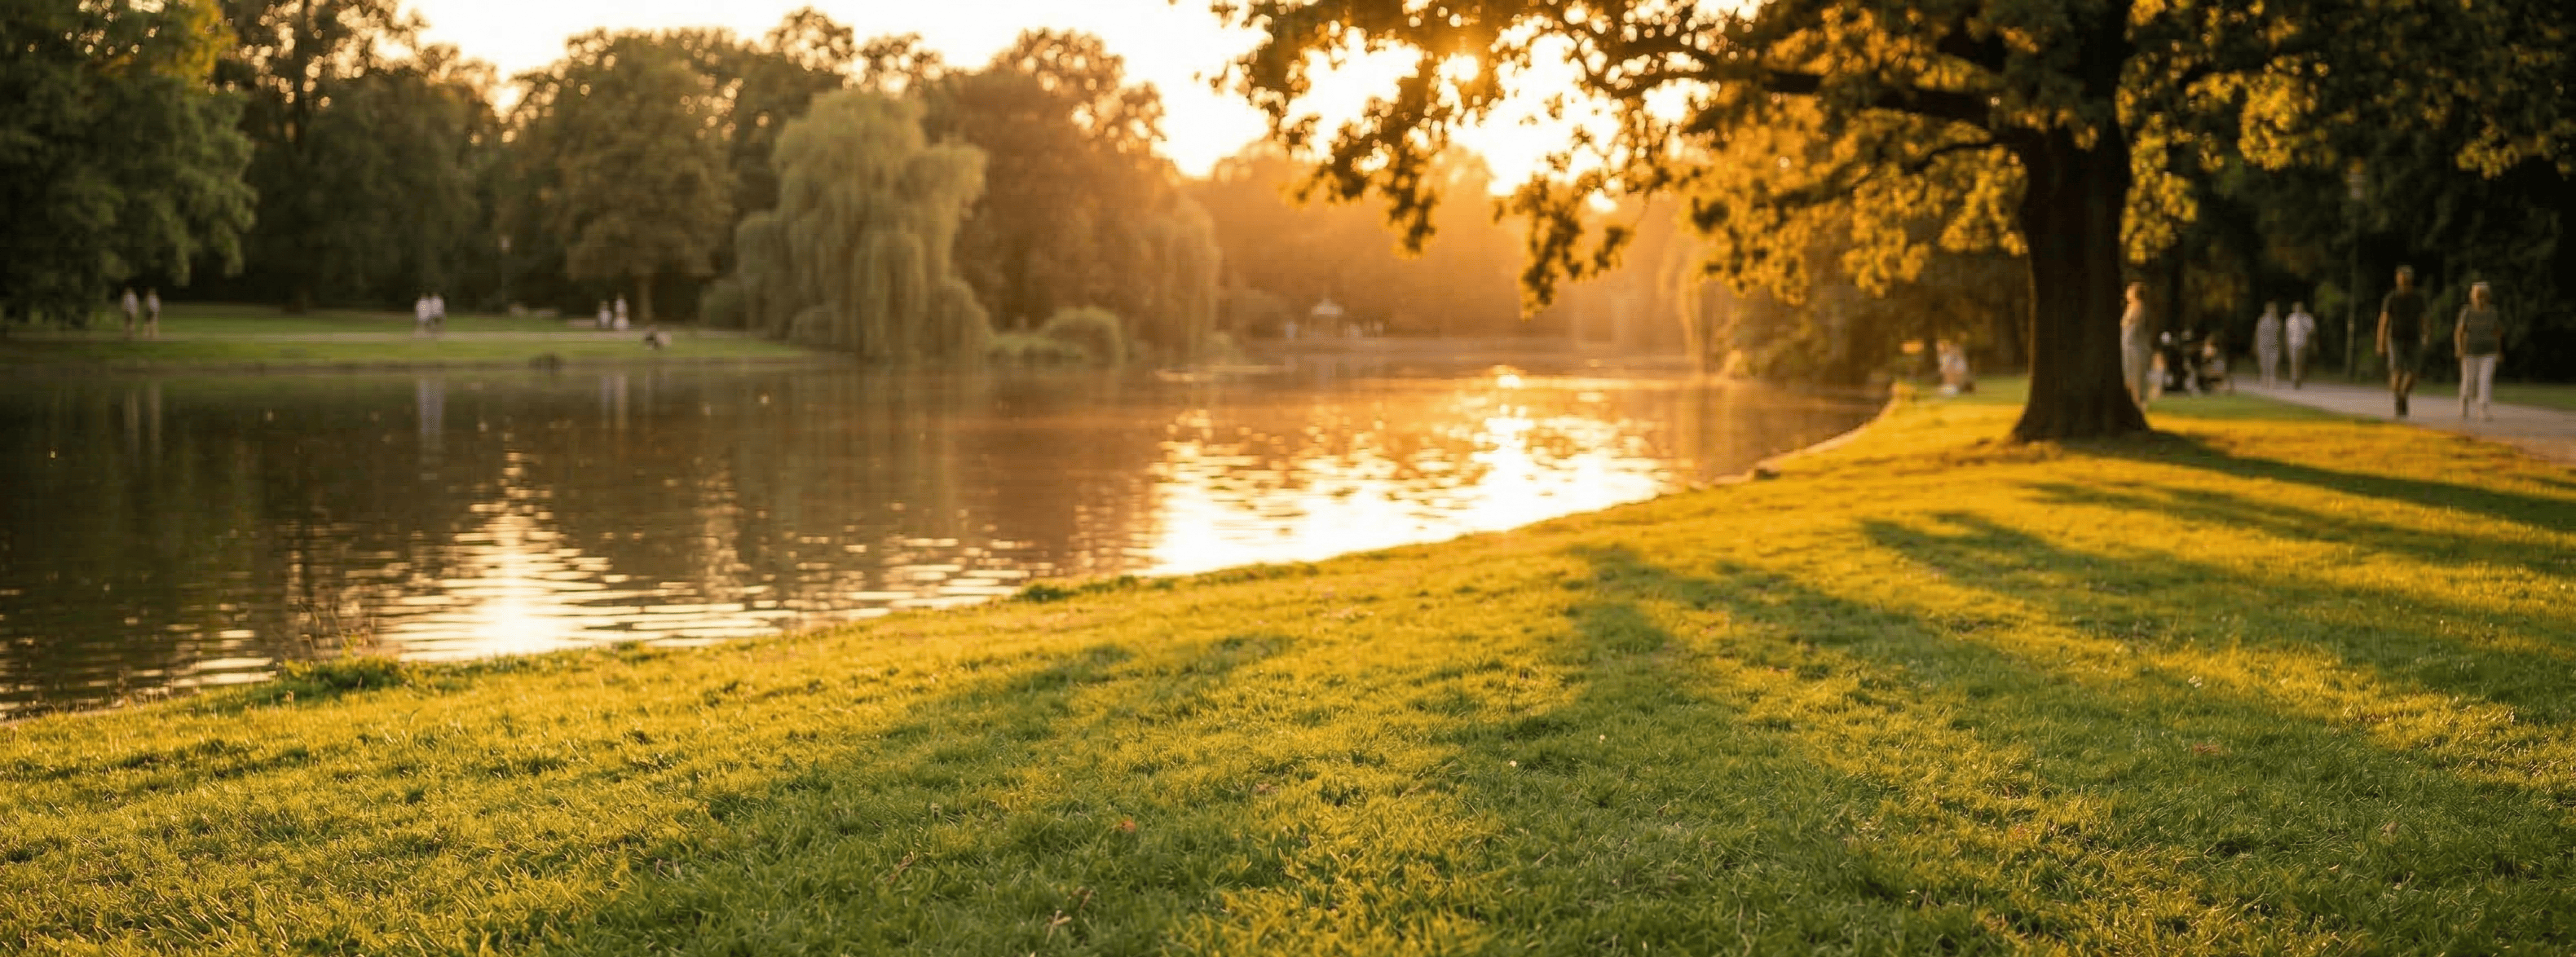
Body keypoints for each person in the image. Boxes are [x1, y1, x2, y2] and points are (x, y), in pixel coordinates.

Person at [2376, 265, 2431, 417]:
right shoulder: (2391, 298)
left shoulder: (2418, 297)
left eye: (2406, 279)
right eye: (2401, 279)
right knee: (2397, 370)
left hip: (2414, 337)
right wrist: (2381, 342)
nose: (2403, 282)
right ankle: (2397, 397)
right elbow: (2384, 320)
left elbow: (2424, 318)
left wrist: (2426, 335)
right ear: (2397, 280)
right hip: (2396, 338)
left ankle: (2403, 395)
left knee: (2413, 372)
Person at [2455, 281, 2503, 421]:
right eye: (2477, 296)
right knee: (2469, 380)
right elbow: (2459, 331)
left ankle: (2483, 408)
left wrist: (2499, 351)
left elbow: (2498, 332)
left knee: (2485, 380)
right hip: (2469, 351)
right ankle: (2464, 401)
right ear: (2472, 297)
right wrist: (2459, 348)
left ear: (2487, 297)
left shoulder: (2492, 312)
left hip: (2489, 352)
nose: (2480, 299)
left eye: (2483, 296)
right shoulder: (2467, 311)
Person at [2120, 282, 2153, 408]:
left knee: (2136, 381)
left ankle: (2138, 405)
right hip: (2130, 348)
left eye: (2130, 290)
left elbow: (2127, 326)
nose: (2127, 293)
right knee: (2131, 380)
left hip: (2135, 350)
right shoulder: (2132, 307)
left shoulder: (2137, 307)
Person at [2285, 301, 2318, 388]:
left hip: (2303, 343)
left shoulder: (2307, 318)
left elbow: (2313, 329)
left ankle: (2299, 378)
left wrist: (2306, 331)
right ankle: (2295, 379)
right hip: (2293, 343)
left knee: (2301, 362)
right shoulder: (2291, 318)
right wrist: (2287, 343)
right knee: (2294, 362)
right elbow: (2288, 332)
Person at [2253, 302, 2283, 387]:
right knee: (2264, 364)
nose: (2273, 311)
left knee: (2273, 364)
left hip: (2274, 345)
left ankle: (2272, 381)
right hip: (2264, 345)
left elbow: (2280, 335)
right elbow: (2258, 334)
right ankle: (2265, 380)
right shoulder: (2262, 320)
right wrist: (2256, 345)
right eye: (2271, 309)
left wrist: (2281, 347)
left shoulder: (2278, 322)